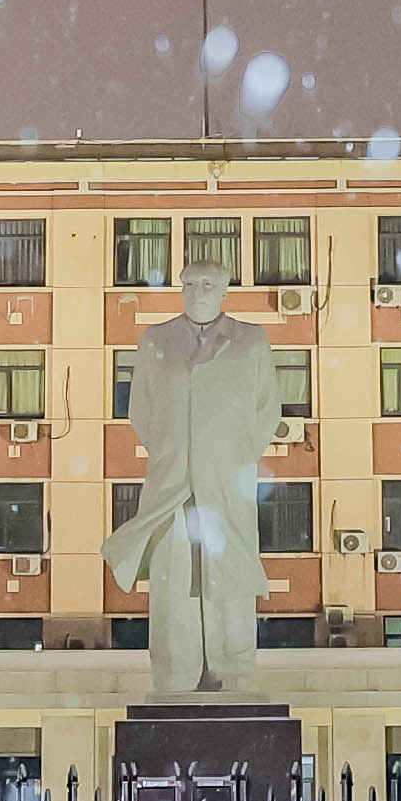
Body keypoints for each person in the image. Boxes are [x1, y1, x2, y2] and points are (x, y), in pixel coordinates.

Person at [105, 268, 281, 698]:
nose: (197, 293)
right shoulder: (155, 341)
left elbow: (266, 411)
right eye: (189, 285)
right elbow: (142, 411)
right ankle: (174, 677)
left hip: (227, 484)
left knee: (230, 576)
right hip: (171, 482)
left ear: (224, 292)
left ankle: (234, 674)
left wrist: (228, 454)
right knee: (173, 584)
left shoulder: (251, 341)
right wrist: (176, 453)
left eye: (207, 286)